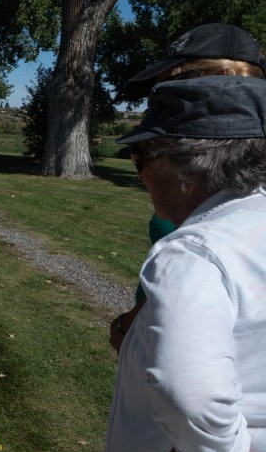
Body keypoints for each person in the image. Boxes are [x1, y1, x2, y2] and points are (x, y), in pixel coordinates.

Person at [103, 75, 266, 452]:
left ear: (186, 168)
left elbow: (187, 392)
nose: (139, 175)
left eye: (140, 158)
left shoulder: (192, 252)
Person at [109, 23, 266, 351]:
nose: (164, 90)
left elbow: (191, 397)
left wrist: (129, 326)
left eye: (177, 77)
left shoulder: (194, 247)